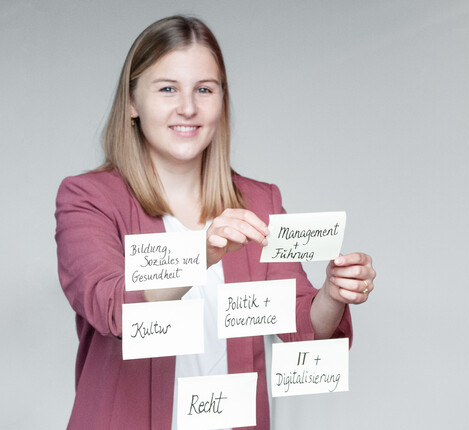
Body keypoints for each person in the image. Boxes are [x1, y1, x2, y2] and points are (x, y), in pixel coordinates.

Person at [55, 15, 375, 430]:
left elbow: (301, 327)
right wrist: (200, 252)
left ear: (221, 101)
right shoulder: (88, 197)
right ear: (132, 102)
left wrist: (333, 293)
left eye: (204, 89)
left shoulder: (260, 201)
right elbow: (112, 309)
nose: (187, 107)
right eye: (167, 88)